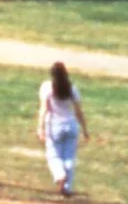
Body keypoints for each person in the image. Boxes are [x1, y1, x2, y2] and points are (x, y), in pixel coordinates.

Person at [37, 60, 89, 196]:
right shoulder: (72, 89)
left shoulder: (47, 87)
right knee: (69, 156)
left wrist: (40, 127)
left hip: (54, 125)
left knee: (53, 155)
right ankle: (67, 187)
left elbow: (44, 109)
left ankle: (60, 175)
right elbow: (78, 111)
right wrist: (84, 129)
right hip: (71, 125)